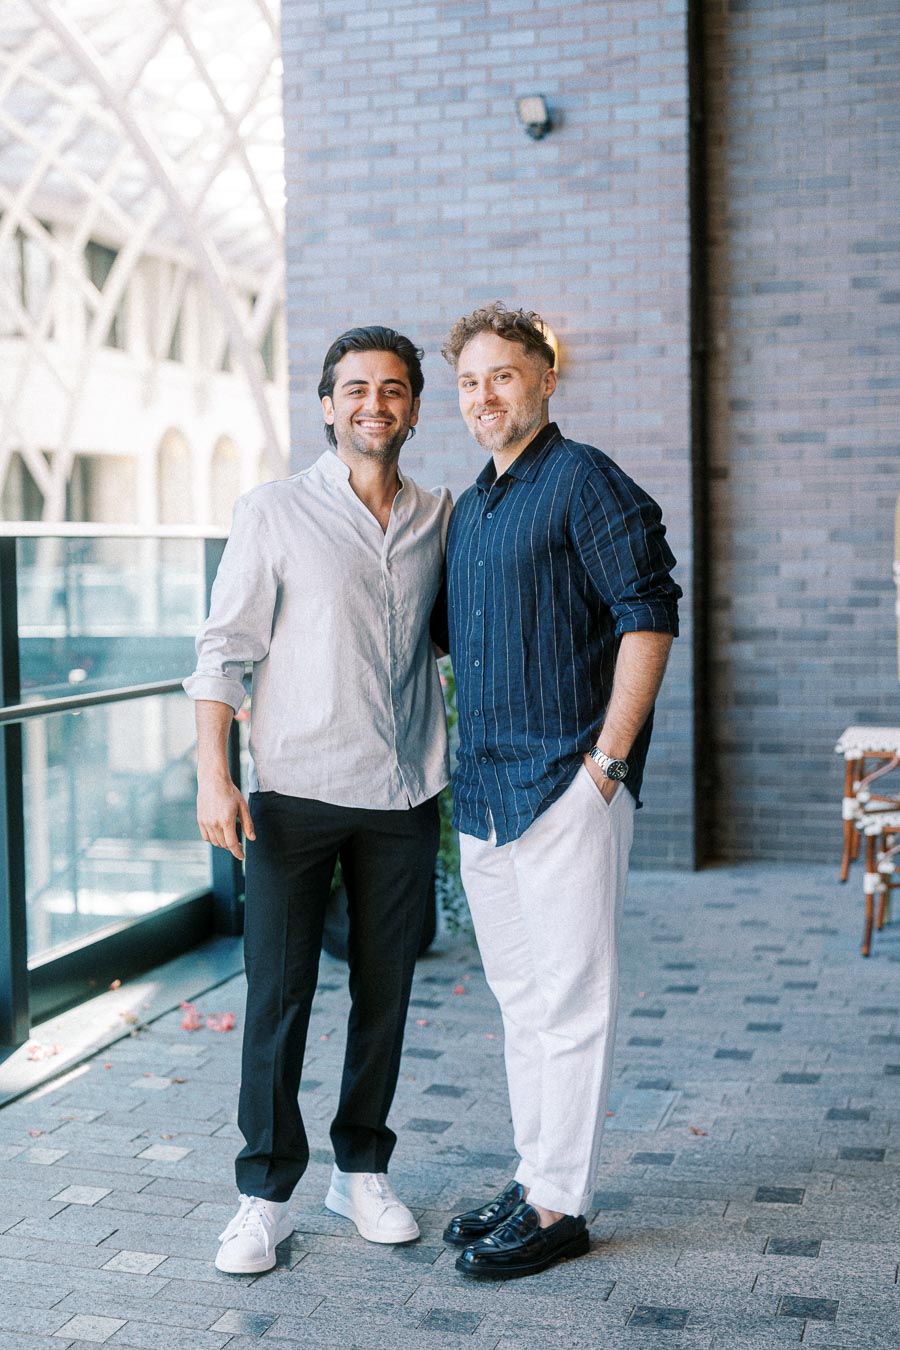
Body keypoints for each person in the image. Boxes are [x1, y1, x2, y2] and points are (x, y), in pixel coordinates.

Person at [184, 325, 451, 1274]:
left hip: (404, 792)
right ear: (328, 405)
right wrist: (215, 775)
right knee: (280, 998)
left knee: (386, 992)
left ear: (416, 406)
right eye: (355, 389)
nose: (373, 404)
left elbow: (457, 637)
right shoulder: (273, 511)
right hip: (293, 795)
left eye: (392, 389)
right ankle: (263, 1194)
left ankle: (361, 1170)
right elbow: (224, 650)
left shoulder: (439, 516)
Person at [439, 302, 681, 1280]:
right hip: (488, 793)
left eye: (504, 375)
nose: (485, 395)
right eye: (469, 381)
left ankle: (559, 1205)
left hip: (569, 787)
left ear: (545, 379)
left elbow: (648, 614)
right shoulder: (473, 507)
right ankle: (534, 1170)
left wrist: (607, 765)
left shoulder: (585, 481)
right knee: (520, 999)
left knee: (573, 1000)